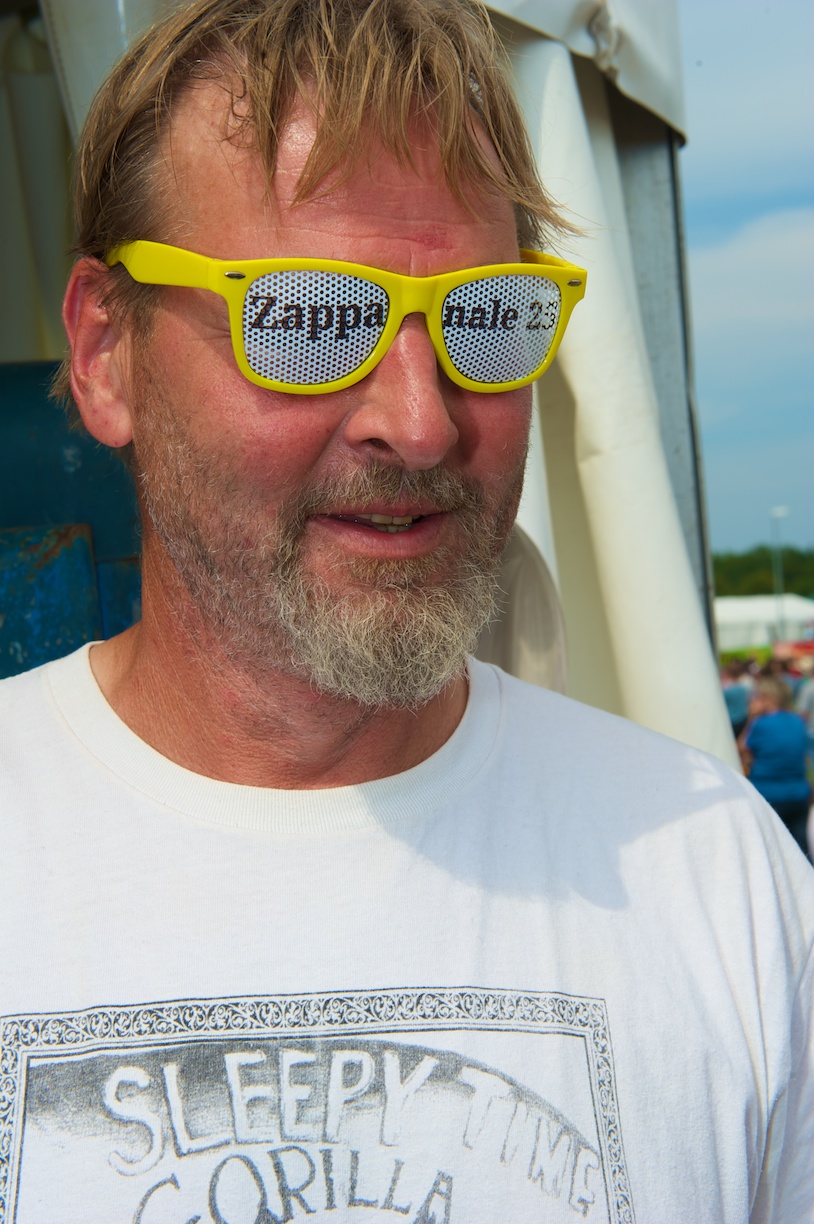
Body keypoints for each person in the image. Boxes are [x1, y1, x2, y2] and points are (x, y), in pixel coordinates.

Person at [1, 1, 812, 1219]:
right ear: (106, 352)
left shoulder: (714, 877)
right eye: (308, 320)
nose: (421, 424)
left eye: (487, 320)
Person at [741, 675, 812, 860]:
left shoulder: (759, 724)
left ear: (769, 698)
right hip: (798, 794)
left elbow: (742, 749)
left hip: (769, 795)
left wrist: (751, 717)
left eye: (758, 697)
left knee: (773, 855)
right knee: (802, 851)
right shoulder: (797, 721)